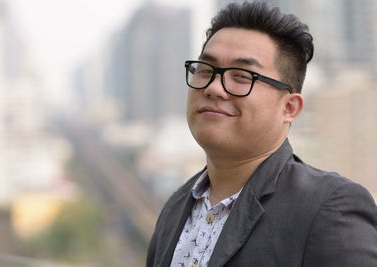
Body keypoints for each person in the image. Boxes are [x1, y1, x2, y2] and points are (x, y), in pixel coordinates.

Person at [146, 1, 377, 266]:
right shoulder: (175, 208)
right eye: (206, 70)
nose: (214, 88)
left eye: (242, 76)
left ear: (289, 108)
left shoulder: (327, 208)